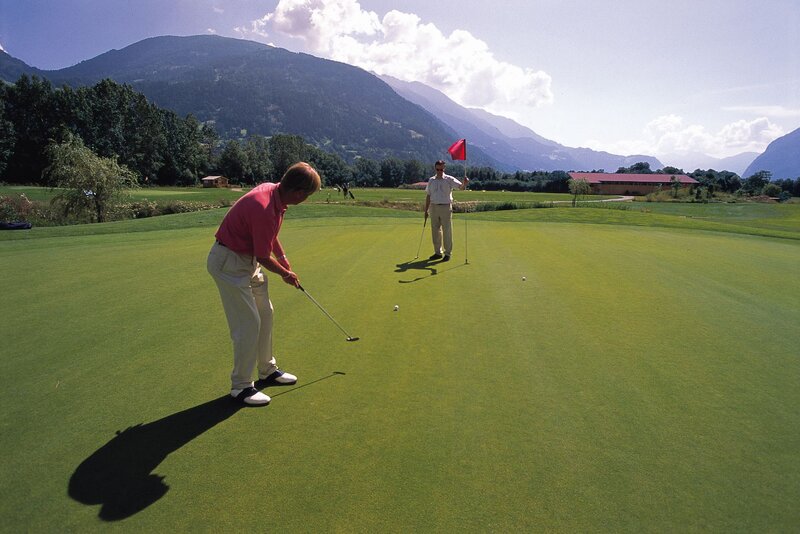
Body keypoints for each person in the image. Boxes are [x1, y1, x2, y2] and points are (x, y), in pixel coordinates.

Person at [207, 162, 321, 406]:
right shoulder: (264, 205)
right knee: (248, 324)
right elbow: (262, 256)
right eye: (308, 195)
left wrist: (284, 259)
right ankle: (241, 386)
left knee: (266, 313)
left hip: (246, 261)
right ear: (298, 192)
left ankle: (267, 370)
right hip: (229, 263)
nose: (307, 199)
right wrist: (286, 274)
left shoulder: (276, 194)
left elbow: (269, 236)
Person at [423, 160, 468, 261]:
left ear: (444, 168)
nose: (439, 171)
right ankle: (437, 252)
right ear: (435, 168)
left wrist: (465, 183)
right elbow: (428, 195)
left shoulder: (449, 179)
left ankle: (447, 253)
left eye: (441, 169)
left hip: (446, 207)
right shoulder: (431, 180)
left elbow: (461, 187)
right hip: (433, 207)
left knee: (447, 231)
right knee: (435, 231)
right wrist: (426, 210)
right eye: (437, 169)